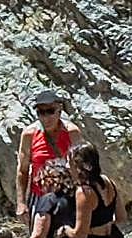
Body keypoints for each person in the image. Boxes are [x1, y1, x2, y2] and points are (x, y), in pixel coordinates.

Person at [15, 90, 83, 222]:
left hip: (68, 196)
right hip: (40, 197)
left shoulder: (72, 133)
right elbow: (22, 171)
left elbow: (83, 165)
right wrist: (21, 203)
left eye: (50, 111)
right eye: (41, 112)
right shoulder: (29, 135)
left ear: (59, 110)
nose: (46, 118)